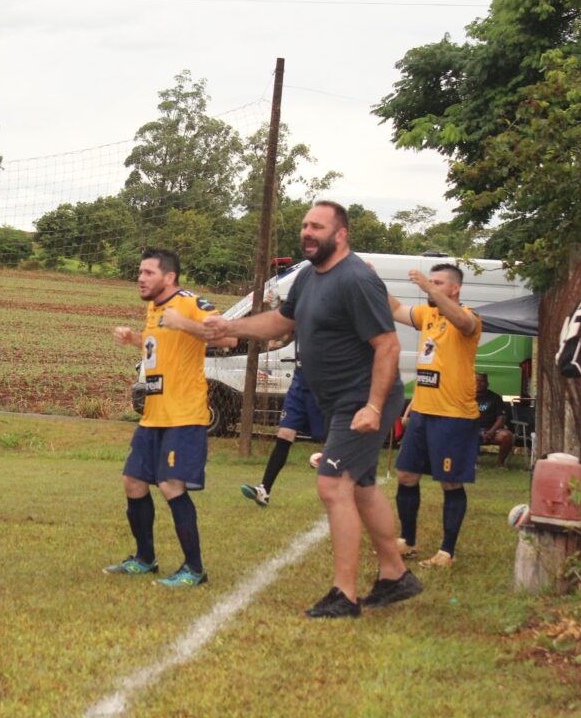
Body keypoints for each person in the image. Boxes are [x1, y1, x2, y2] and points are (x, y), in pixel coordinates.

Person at [205, 201, 421, 618]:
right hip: (337, 399)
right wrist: (230, 327)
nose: (307, 232)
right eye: (305, 225)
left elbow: (388, 346)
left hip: (360, 399)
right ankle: (395, 575)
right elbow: (281, 322)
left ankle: (345, 595)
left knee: (332, 485)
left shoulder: (356, 279)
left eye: (317, 227)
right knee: (361, 486)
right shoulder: (308, 276)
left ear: (341, 234)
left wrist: (374, 406)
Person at [106, 248, 236, 587]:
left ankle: (194, 569)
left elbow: (229, 337)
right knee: (133, 482)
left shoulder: (190, 303)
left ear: (170, 277)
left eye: (148, 272)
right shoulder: (154, 307)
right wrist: (135, 339)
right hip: (154, 415)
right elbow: (162, 348)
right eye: (140, 272)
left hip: (184, 414)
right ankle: (145, 559)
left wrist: (185, 324)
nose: (140, 278)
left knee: (170, 484)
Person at [388, 264, 482, 569]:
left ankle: (447, 552)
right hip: (423, 412)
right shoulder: (427, 314)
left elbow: (463, 322)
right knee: (406, 475)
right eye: (431, 281)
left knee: (450, 482)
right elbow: (397, 309)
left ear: (455, 289)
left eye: (438, 283)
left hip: (453, 416)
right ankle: (408, 540)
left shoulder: (468, 317)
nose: (431, 286)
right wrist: (369, 280)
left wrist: (428, 289)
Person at [240, 336, 325, 508]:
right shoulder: (298, 319)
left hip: (322, 384)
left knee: (330, 436)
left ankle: (349, 483)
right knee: (284, 434)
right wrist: (278, 341)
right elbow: (286, 331)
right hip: (299, 383)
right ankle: (264, 490)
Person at [475, 373, 515, 467]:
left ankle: (500, 463)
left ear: (487, 384)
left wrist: (491, 432)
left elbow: (501, 418)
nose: (478, 384)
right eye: (476, 381)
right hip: (472, 430)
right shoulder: (466, 397)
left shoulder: (495, 398)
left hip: (492, 430)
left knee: (507, 436)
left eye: (482, 381)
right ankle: (468, 462)